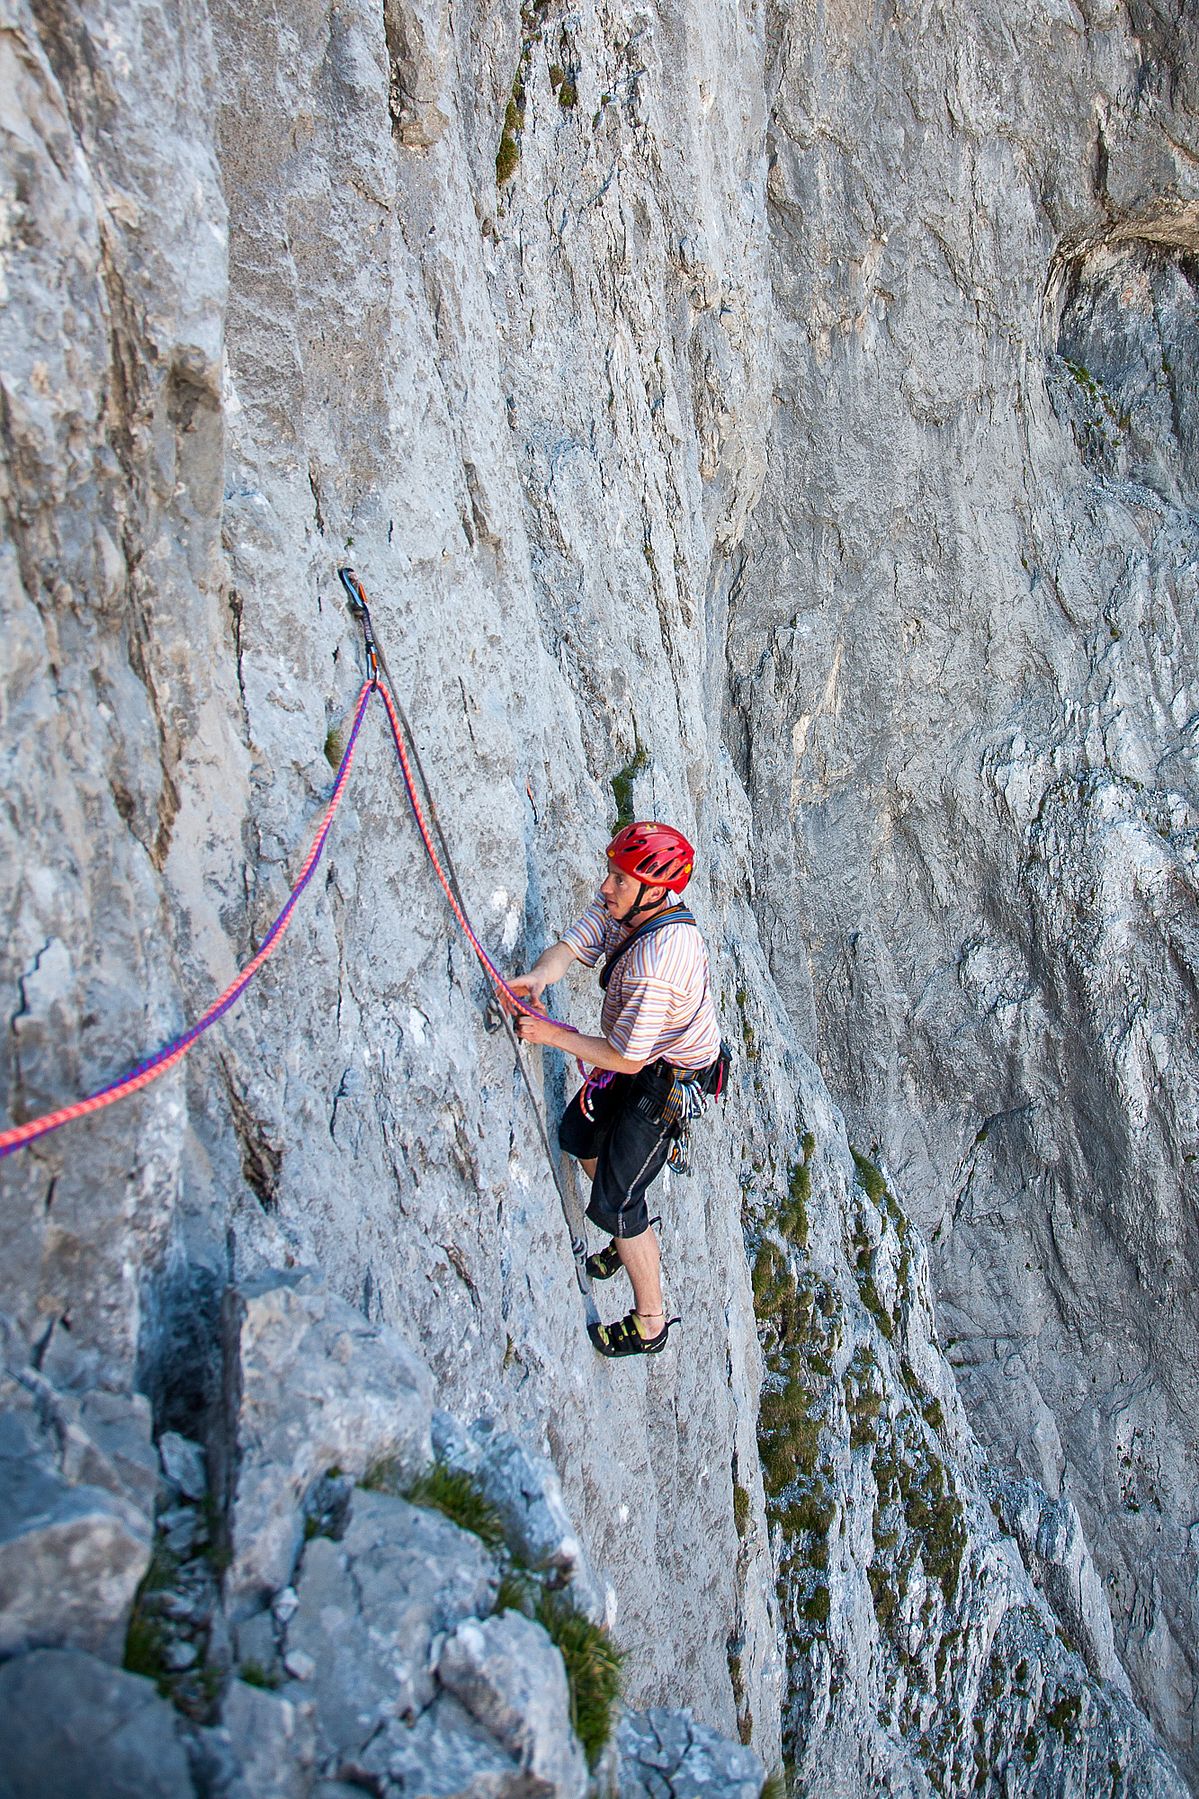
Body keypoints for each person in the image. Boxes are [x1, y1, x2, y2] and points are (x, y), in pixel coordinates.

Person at [506, 821, 723, 1357]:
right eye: (611, 874)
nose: (606, 886)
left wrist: (551, 1034)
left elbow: (627, 1059)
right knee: (579, 1135)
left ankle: (650, 1322)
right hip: (640, 1057)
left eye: (620, 880)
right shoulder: (627, 912)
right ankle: (624, 1233)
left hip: (663, 1079)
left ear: (654, 891)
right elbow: (572, 946)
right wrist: (538, 978)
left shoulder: (658, 962)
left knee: (619, 1201)